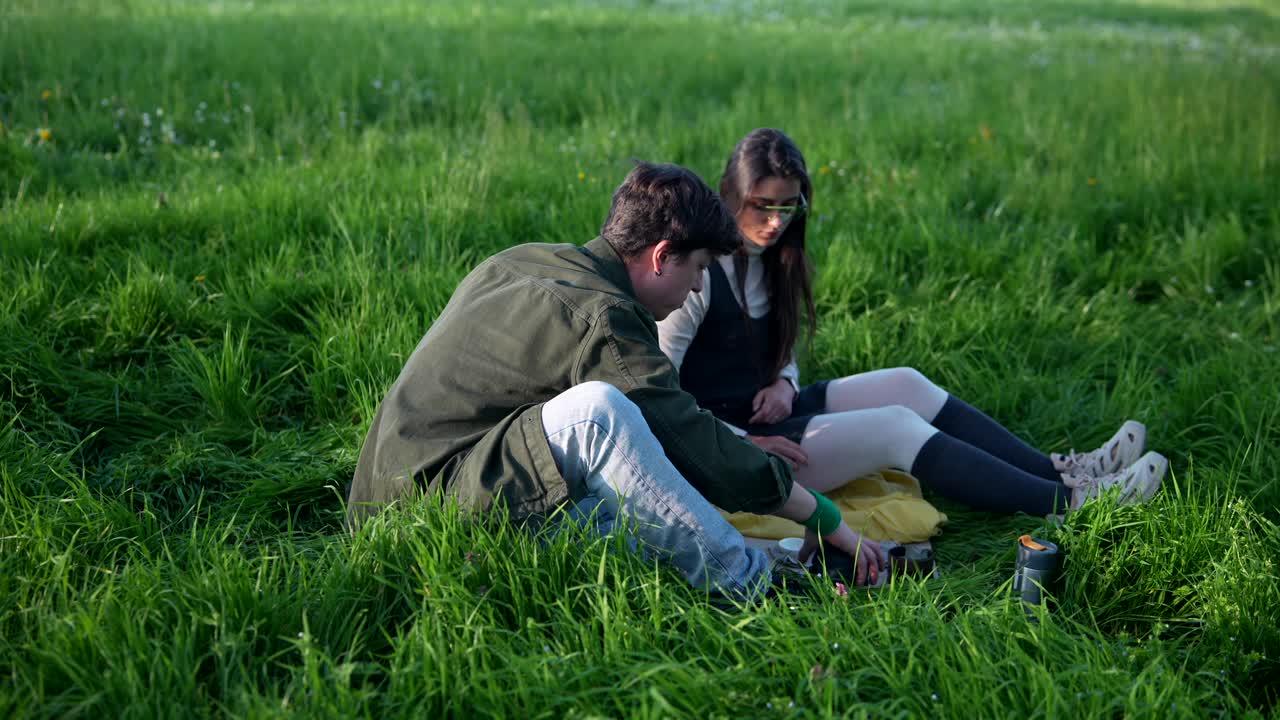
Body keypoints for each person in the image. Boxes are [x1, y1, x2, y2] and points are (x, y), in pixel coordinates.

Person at [347, 162, 885, 599]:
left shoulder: (526, 259)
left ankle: (771, 560)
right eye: (697, 268)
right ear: (659, 258)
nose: (699, 287)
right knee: (597, 412)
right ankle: (753, 584)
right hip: (426, 508)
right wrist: (825, 515)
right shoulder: (605, 318)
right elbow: (691, 440)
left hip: (405, 492)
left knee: (634, 513)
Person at [658, 128, 1169, 517]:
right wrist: (746, 443)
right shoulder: (696, 276)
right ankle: (1073, 502)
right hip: (727, 451)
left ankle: (1062, 469)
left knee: (906, 384)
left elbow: (778, 347)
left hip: (766, 415)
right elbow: (659, 396)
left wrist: (786, 383)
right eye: (760, 207)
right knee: (897, 428)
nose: (774, 221)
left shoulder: (776, 256)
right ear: (729, 194)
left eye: (788, 208)